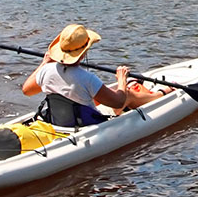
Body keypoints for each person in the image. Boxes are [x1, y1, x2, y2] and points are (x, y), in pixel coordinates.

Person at [21, 23, 172, 123]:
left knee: (102, 93)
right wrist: (122, 80)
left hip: (59, 120)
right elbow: (118, 102)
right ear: (82, 53)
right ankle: (161, 94)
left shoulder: (46, 69)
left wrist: (44, 63)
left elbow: (27, 91)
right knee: (127, 93)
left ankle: (145, 92)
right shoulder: (87, 78)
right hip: (86, 122)